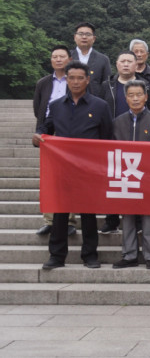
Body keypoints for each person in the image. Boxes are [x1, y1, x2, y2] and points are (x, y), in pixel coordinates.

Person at [33, 61, 113, 270]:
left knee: (88, 214)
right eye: (71, 78)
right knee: (60, 213)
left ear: (87, 80)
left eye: (80, 78)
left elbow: (107, 138)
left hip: (89, 169)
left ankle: (90, 255)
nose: (76, 82)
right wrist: (39, 134)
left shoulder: (100, 106)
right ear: (66, 79)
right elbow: (46, 127)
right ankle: (57, 256)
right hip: (62, 168)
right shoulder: (56, 105)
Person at [111, 80, 150, 270]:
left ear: (146, 97)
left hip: (149, 177)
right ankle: (129, 255)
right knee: (127, 217)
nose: (135, 98)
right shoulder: (117, 122)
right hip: (126, 177)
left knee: (148, 218)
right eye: (131, 95)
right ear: (125, 98)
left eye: (138, 95)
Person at [100, 49, 150, 234]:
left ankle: (138, 220)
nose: (125, 64)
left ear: (136, 65)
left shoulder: (146, 85)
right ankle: (111, 219)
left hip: (141, 140)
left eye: (129, 61)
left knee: (137, 180)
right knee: (114, 180)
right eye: (122, 61)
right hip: (115, 137)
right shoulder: (107, 85)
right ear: (116, 64)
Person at [32, 45, 77, 236]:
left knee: (69, 178)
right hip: (49, 134)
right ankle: (49, 221)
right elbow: (38, 108)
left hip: (71, 132)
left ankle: (69, 221)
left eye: (61, 56)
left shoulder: (75, 80)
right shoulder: (43, 82)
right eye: (54, 56)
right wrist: (43, 130)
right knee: (50, 178)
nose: (58, 59)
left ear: (69, 59)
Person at [71, 22, 111, 96]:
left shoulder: (103, 59)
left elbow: (107, 86)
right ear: (74, 37)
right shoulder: (67, 57)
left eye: (88, 34)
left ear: (94, 39)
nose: (84, 37)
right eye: (80, 34)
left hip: (95, 101)